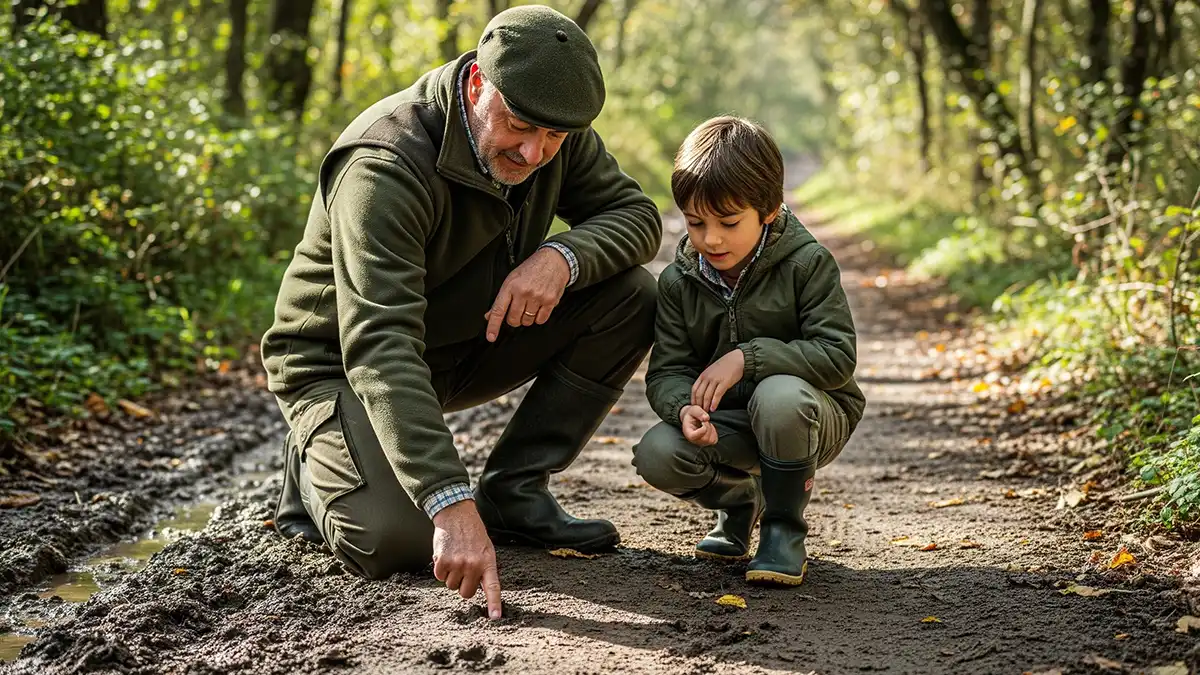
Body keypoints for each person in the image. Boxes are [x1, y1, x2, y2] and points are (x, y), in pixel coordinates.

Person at [259, 5, 661, 618]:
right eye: (519, 127)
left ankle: (514, 493)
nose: (533, 153)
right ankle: (314, 460)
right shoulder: (384, 165)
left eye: (553, 139)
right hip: (341, 364)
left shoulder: (554, 130)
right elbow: (380, 343)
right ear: (478, 84)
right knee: (394, 543)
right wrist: (449, 502)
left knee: (632, 295)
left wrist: (561, 256)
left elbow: (638, 218)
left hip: (464, 339)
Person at [633, 116, 865, 585]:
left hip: (810, 417)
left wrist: (748, 358)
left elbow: (837, 356)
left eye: (729, 222)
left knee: (778, 396)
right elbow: (667, 373)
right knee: (657, 452)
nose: (711, 238)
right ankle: (740, 502)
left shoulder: (807, 264)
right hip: (731, 426)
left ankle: (783, 529)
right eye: (695, 222)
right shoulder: (679, 282)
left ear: (770, 211)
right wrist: (683, 410)